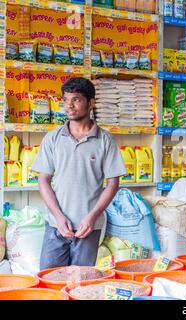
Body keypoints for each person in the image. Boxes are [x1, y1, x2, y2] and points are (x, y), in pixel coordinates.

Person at [32, 77, 126, 269]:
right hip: (56, 226)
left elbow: (113, 183)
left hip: (88, 227)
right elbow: (43, 180)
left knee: (81, 282)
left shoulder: (105, 140)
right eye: (66, 100)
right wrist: (58, 217)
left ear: (91, 103)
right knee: (49, 278)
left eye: (76, 99)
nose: (69, 106)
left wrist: (92, 217)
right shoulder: (53, 138)